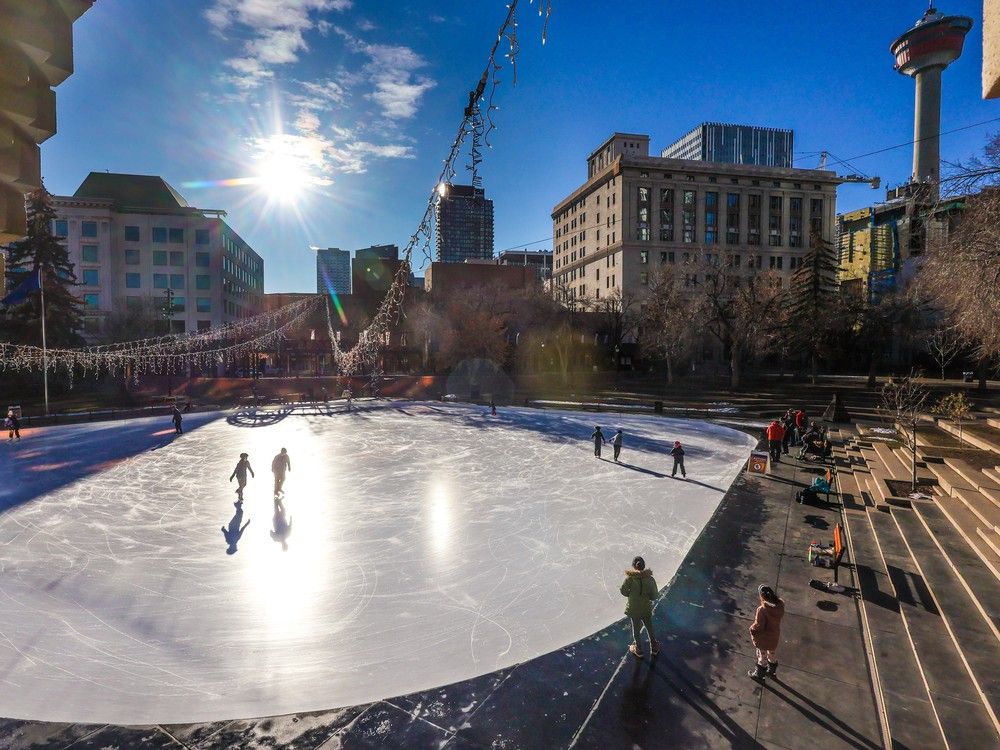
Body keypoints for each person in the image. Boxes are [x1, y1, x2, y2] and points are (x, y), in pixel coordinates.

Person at [620, 556, 660, 658]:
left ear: (634, 566)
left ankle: (639, 649)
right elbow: (655, 595)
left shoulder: (630, 579)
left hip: (634, 608)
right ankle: (654, 646)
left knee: (636, 629)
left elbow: (623, 591)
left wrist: (632, 596)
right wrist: (648, 597)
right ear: (644, 566)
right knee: (649, 626)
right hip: (645, 607)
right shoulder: (650, 579)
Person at [748, 585, 785, 680]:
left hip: (763, 638)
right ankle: (771, 671)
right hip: (774, 637)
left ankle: (759, 675)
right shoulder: (780, 607)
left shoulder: (762, 610)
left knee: (762, 655)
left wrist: (752, 629)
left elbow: (759, 625)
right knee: (771, 654)